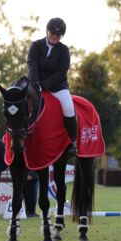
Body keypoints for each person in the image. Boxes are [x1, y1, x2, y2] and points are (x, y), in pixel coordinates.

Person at [27, 17, 77, 155]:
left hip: (57, 85)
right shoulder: (35, 46)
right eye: (52, 33)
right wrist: (36, 83)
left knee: (68, 107)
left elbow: (61, 72)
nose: (54, 37)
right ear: (47, 31)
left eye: (58, 35)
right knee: (18, 100)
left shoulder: (64, 50)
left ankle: (73, 141)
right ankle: (19, 135)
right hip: (35, 82)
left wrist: (44, 85)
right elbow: (32, 65)